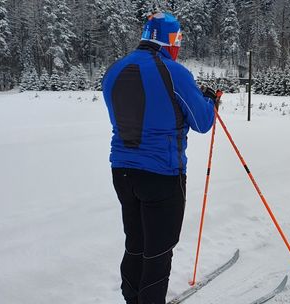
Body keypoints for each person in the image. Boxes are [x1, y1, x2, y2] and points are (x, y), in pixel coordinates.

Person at [102, 12, 220, 304]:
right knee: (158, 249)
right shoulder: (173, 71)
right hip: (162, 174)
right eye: (178, 40)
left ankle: (133, 299)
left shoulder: (115, 69)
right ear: (170, 40)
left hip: (122, 172)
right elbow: (202, 121)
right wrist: (211, 102)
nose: (179, 46)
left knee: (136, 243)